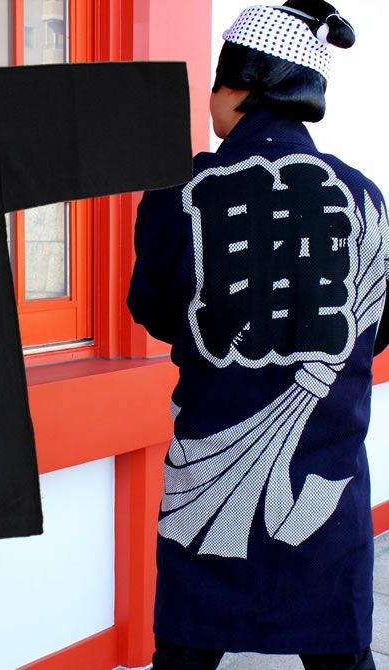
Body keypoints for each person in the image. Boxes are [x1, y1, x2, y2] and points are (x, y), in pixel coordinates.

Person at [127, 2, 386, 669]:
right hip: (325, 490)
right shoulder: (364, 199)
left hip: (204, 485)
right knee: (341, 658)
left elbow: (154, 310)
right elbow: (375, 330)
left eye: (216, 83)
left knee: (185, 655)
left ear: (242, 84)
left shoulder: (181, 192)